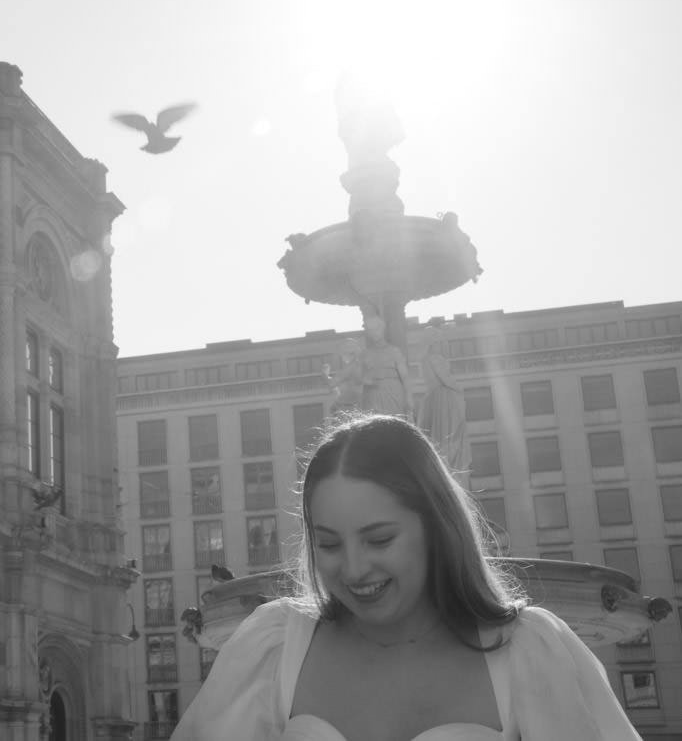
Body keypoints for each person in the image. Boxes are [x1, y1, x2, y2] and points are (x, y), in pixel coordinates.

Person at [170, 414, 641, 741]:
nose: (353, 569)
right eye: (329, 544)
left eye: (378, 540)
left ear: (436, 526)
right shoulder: (272, 647)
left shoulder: (529, 652)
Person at [418, 329, 467, 474]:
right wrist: (460, 389)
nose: (442, 344)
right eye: (440, 341)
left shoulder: (424, 359)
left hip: (433, 398)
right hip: (443, 399)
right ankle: (448, 467)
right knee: (448, 435)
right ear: (433, 343)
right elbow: (445, 378)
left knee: (439, 435)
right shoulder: (435, 358)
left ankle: (444, 467)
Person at [359, 313, 411, 417]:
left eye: (376, 329)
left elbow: (405, 377)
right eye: (370, 330)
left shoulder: (394, 351)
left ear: (382, 329)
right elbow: (360, 377)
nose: (373, 333)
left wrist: (409, 398)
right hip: (373, 394)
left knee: (395, 423)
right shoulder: (365, 354)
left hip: (393, 391)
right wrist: (367, 380)